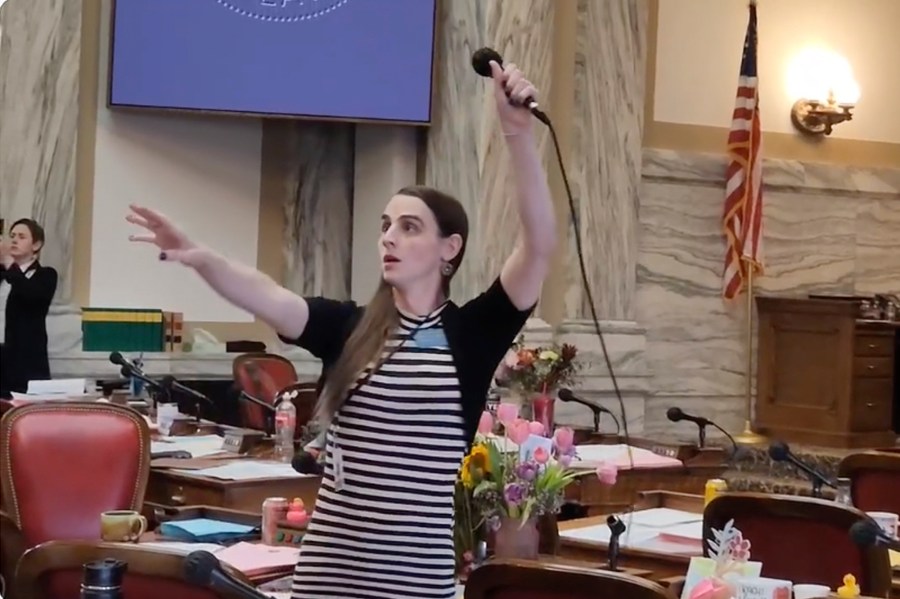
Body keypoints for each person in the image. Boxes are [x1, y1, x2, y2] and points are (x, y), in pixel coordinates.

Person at [127, 60, 555, 599]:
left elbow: (538, 244)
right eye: (385, 226)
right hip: (327, 575)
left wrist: (516, 133)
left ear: (450, 249)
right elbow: (268, 295)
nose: (389, 238)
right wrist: (201, 257)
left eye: (409, 226)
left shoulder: (471, 334)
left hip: (415, 581)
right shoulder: (350, 327)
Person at [0, 218, 58, 397]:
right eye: (12, 236)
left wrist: (10, 264)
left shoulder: (46, 275)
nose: (14, 240)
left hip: (25, 361)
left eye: (21, 236)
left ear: (36, 244)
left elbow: (32, 295)